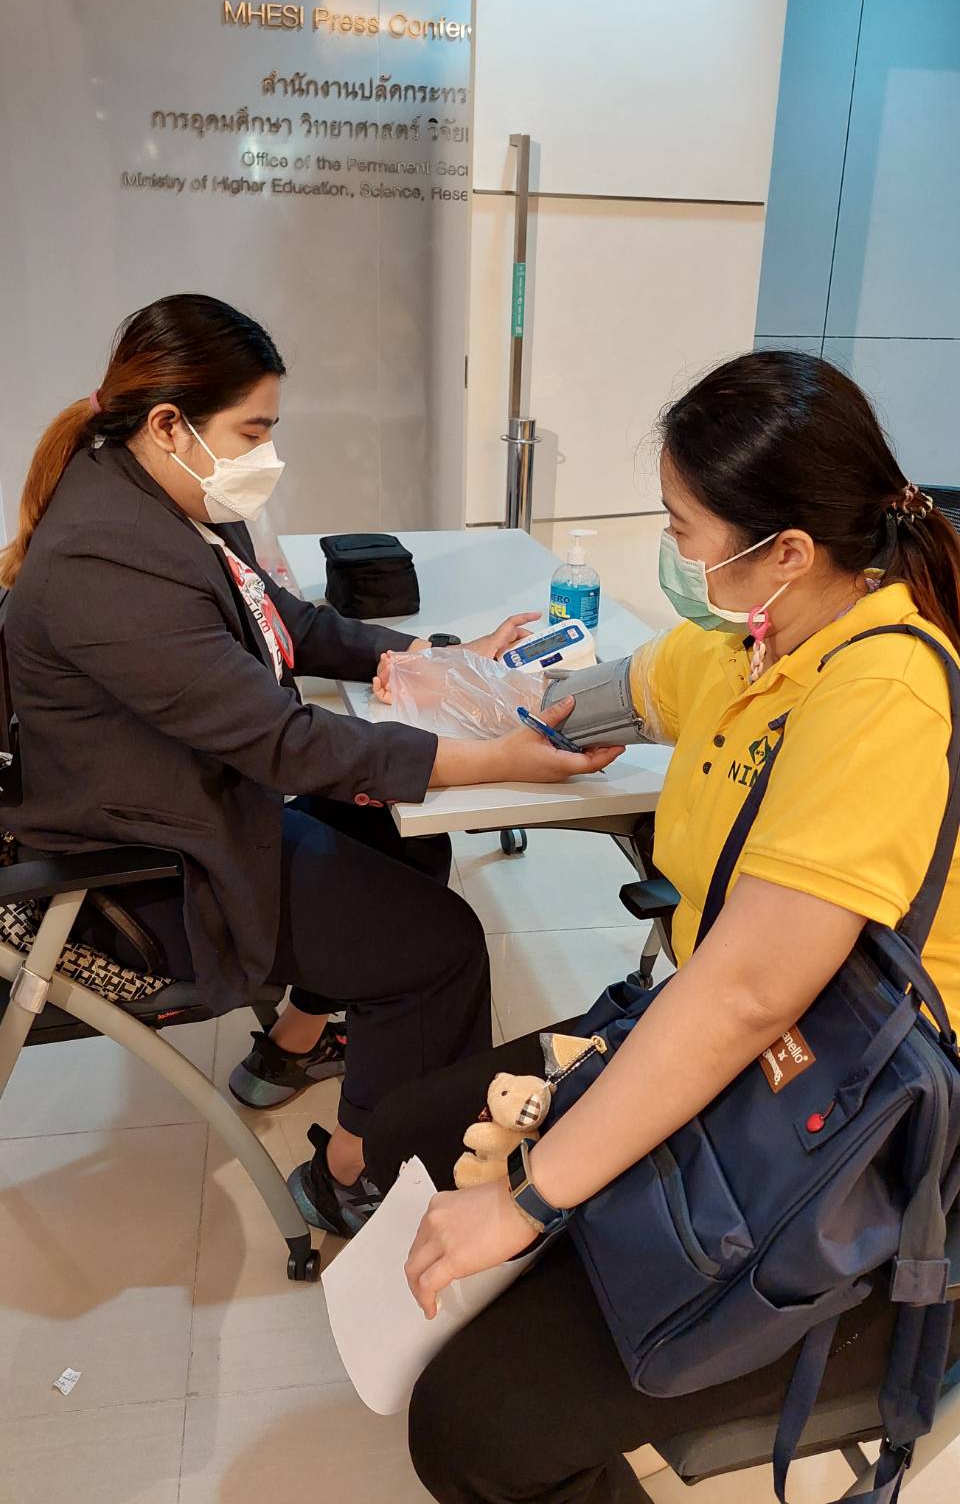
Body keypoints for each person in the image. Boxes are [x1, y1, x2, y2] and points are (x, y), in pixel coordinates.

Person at [358, 351, 960, 1504]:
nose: (674, 552)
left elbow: (748, 995)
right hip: (749, 1059)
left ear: (786, 550)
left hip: (852, 1127)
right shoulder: (761, 643)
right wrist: (473, 687)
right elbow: (609, 694)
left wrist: (530, 1198)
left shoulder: (882, 691)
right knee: (409, 1139)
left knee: (472, 1431)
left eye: (685, 529)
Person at [0, 293, 621, 1236]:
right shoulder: (105, 564)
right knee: (440, 947)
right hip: (143, 876)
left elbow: (281, 621)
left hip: (182, 807)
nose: (266, 454)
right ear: (168, 424)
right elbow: (286, 742)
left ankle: (291, 1046)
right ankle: (353, 1176)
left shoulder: (157, 496)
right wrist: (492, 758)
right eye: (253, 431)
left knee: (400, 840)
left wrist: (427, 657)